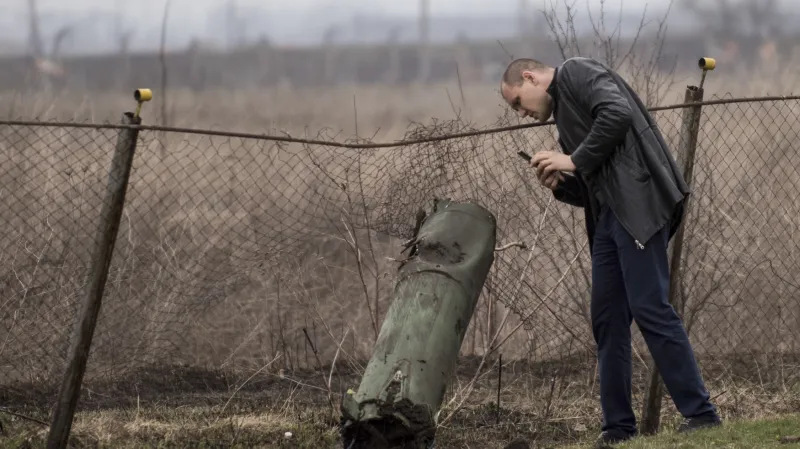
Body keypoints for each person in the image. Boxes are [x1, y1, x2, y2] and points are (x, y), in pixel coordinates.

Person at [498, 57, 722, 448]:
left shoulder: (578, 72)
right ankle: (618, 429)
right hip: (608, 221)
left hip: (638, 209)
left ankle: (702, 416)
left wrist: (573, 158)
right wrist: (561, 185)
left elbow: (617, 113)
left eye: (518, 102)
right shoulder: (564, 112)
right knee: (606, 319)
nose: (521, 114)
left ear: (530, 77)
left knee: (650, 307)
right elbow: (596, 183)